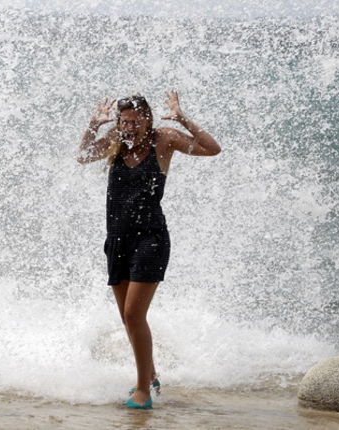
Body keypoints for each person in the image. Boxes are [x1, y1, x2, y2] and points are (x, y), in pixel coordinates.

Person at [77, 90, 220, 409]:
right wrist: (92, 125)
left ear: (147, 118)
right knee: (128, 318)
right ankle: (150, 374)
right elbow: (83, 155)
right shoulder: (115, 141)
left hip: (150, 239)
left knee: (133, 313)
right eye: (123, 121)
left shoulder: (164, 140)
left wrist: (182, 117)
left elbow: (212, 149)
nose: (129, 127)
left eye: (135, 121)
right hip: (116, 240)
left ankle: (142, 391)